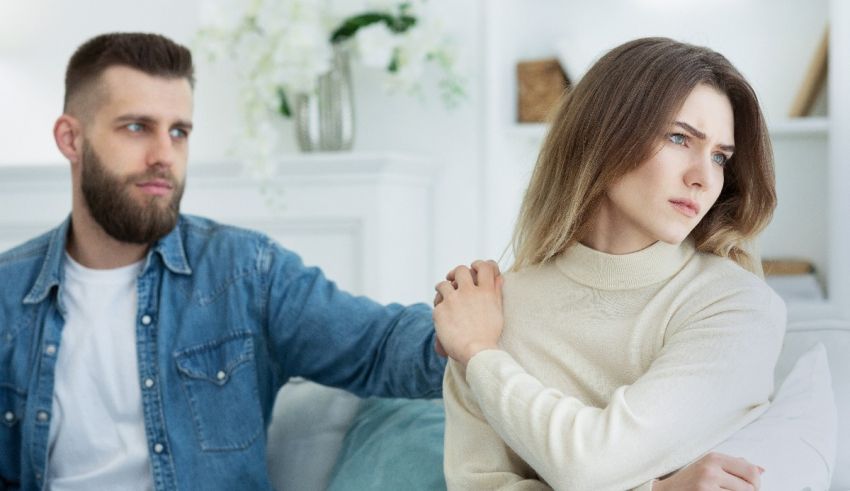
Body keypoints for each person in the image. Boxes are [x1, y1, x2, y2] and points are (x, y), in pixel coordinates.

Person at [0, 32, 447, 490]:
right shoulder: (6, 293)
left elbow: (377, 345)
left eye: (179, 131)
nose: (164, 156)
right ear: (71, 139)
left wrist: (474, 335)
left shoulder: (245, 272)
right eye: (136, 127)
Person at [434, 37, 784, 490]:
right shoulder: (490, 309)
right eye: (679, 138)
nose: (704, 177)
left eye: (720, 157)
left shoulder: (737, 308)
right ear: (605, 136)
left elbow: (589, 467)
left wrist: (481, 356)